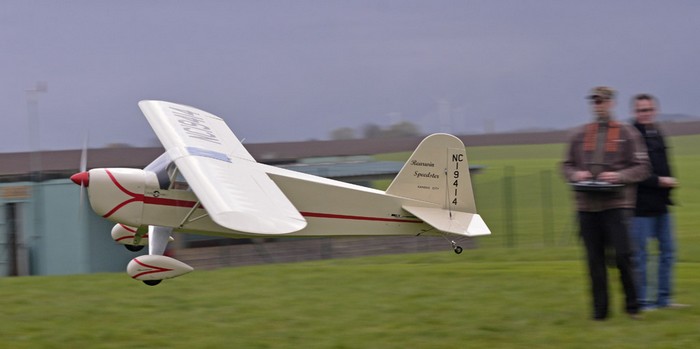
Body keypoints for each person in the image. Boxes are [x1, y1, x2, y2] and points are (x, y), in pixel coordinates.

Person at [561, 86, 650, 320]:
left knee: (623, 256)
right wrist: (575, 175)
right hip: (586, 207)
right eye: (594, 101)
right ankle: (600, 313)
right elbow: (565, 165)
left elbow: (643, 167)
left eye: (602, 101)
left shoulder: (628, 133)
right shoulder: (579, 134)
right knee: (594, 262)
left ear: (612, 103)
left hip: (617, 204)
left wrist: (619, 177)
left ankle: (633, 308)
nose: (598, 105)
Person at [630, 94, 685, 310]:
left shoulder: (657, 132)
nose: (645, 114)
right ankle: (643, 302)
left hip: (662, 206)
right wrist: (660, 181)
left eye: (648, 110)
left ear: (655, 110)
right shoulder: (631, 136)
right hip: (641, 208)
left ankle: (664, 300)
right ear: (635, 112)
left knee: (668, 252)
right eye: (641, 110)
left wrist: (668, 189)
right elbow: (633, 171)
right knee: (641, 256)